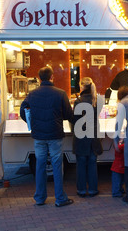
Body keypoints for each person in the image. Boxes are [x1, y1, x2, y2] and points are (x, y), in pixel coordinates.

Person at [20, 66, 74, 207]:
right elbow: (69, 114)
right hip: (55, 134)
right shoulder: (60, 93)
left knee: (40, 165)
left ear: (39, 78)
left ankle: (40, 198)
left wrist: (33, 122)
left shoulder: (32, 94)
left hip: (38, 136)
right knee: (57, 166)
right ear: (52, 77)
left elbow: (23, 111)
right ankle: (60, 198)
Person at [72, 77, 101, 198]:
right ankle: (93, 189)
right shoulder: (97, 100)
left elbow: (75, 119)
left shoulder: (78, 101)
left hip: (81, 136)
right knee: (92, 163)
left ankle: (82, 190)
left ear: (82, 87)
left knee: (81, 163)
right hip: (93, 135)